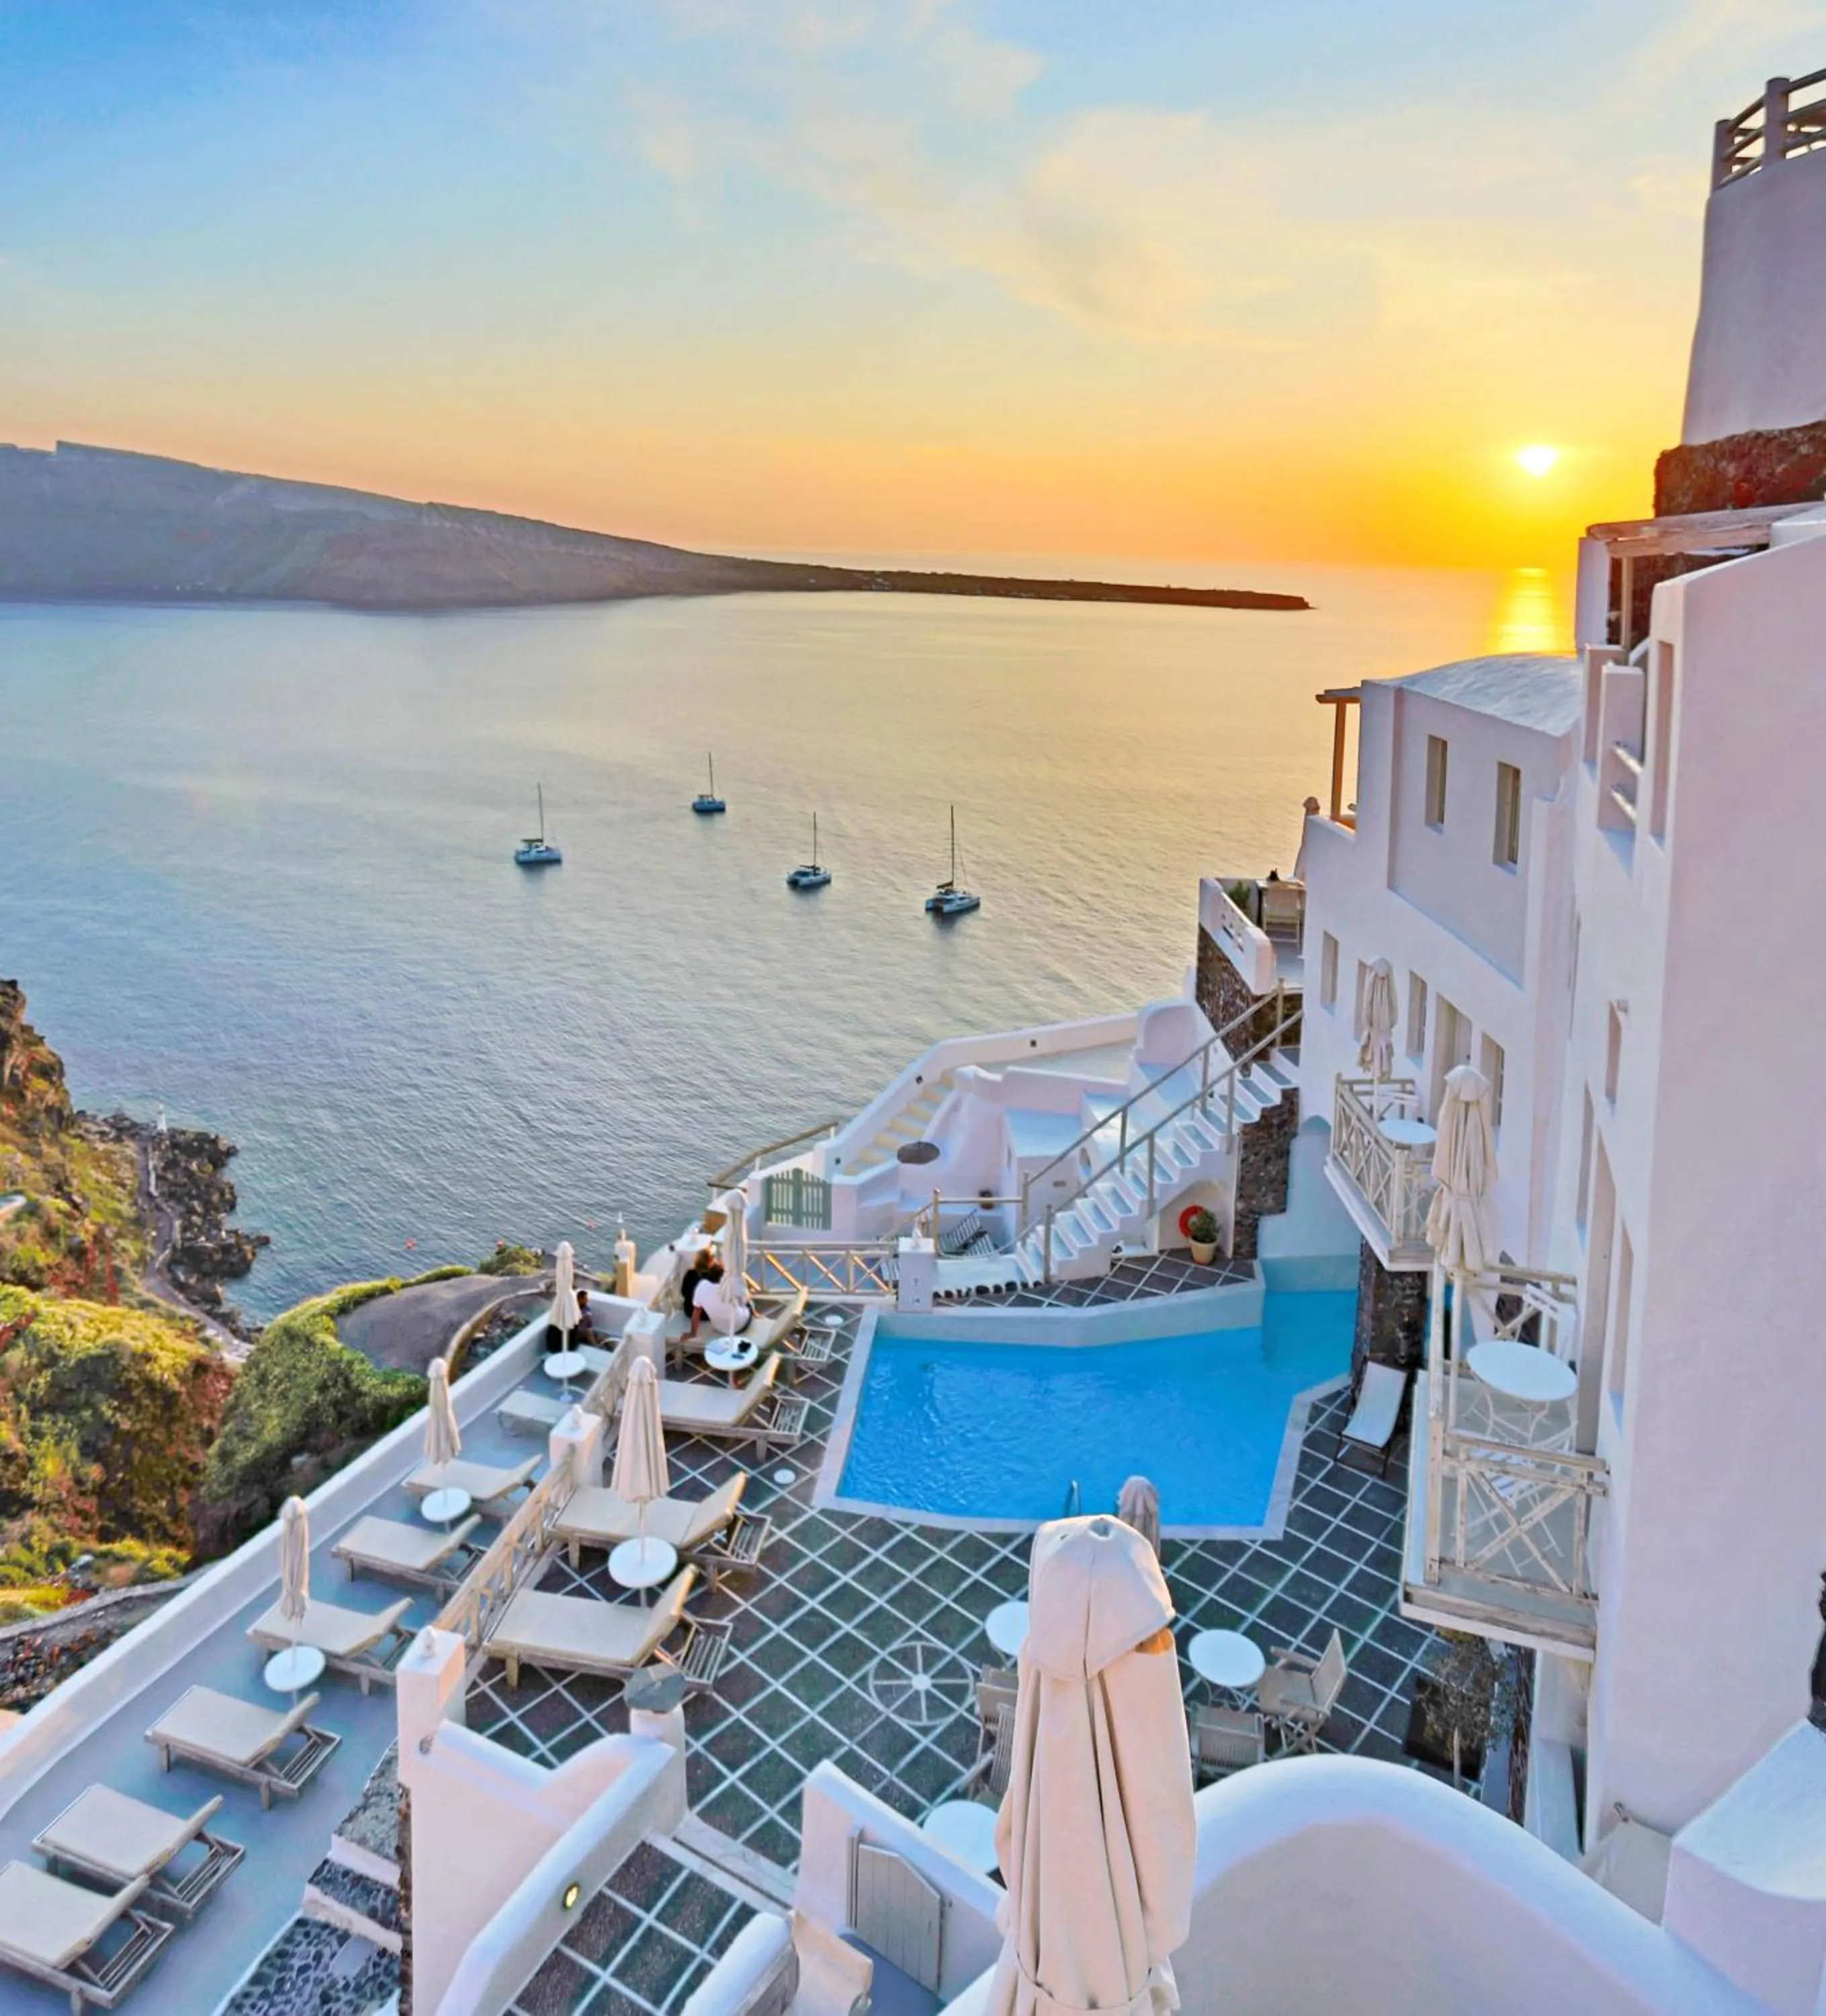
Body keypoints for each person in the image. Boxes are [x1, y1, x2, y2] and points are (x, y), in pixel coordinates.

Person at [688, 1260, 752, 1343]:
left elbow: (696, 1313)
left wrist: (693, 1333)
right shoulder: (731, 1287)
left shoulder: (702, 1286)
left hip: (719, 1327)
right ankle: (756, 1314)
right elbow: (746, 1298)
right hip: (741, 1326)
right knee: (748, 1302)